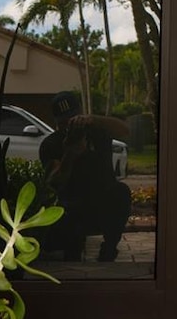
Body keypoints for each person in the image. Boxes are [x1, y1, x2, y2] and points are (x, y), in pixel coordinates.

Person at [40, 92, 131, 262]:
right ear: (57, 123)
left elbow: (124, 130)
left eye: (74, 119)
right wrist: (70, 154)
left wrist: (93, 119)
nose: (70, 126)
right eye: (64, 123)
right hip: (71, 206)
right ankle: (71, 251)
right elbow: (54, 181)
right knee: (67, 220)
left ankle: (109, 248)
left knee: (121, 192)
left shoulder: (98, 133)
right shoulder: (51, 144)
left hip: (101, 202)